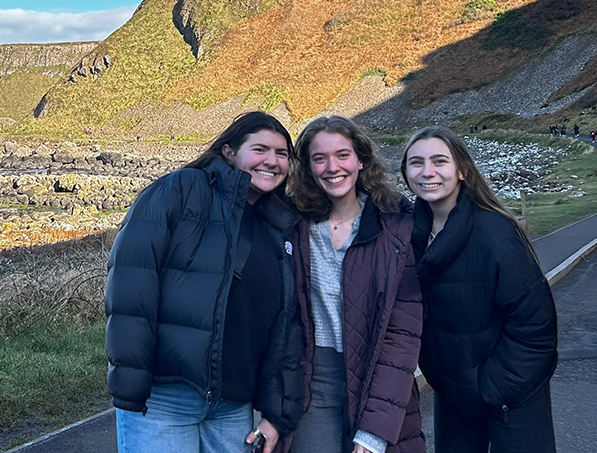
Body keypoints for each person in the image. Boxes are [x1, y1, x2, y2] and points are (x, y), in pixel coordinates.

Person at [106, 112, 305, 453]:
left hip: (233, 404)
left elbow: (286, 325)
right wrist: (131, 383)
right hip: (166, 396)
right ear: (229, 152)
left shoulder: (278, 222)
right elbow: (131, 282)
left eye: (282, 153)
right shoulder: (181, 189)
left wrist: (275, 411)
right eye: (260, 149)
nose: (272, 161)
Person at [402, 126, 557, 453]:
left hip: (510, 398)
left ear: (462, 170)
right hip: (454, 393)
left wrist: (490, 388)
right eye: (416, 163)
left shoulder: (496, 235)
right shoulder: (409, 234)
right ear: (405, 173)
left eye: (439, 161)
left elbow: (535, 328)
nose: (427, 171)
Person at [284, 117, 423, 453]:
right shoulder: (292, 225)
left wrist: (374, 432)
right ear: (307, 167)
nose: (333, 167)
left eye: (343, 155)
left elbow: (402, 336)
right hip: (313, 381)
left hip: (378, 377)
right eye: (320, 158)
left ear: (361, 160)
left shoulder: (397, 228)